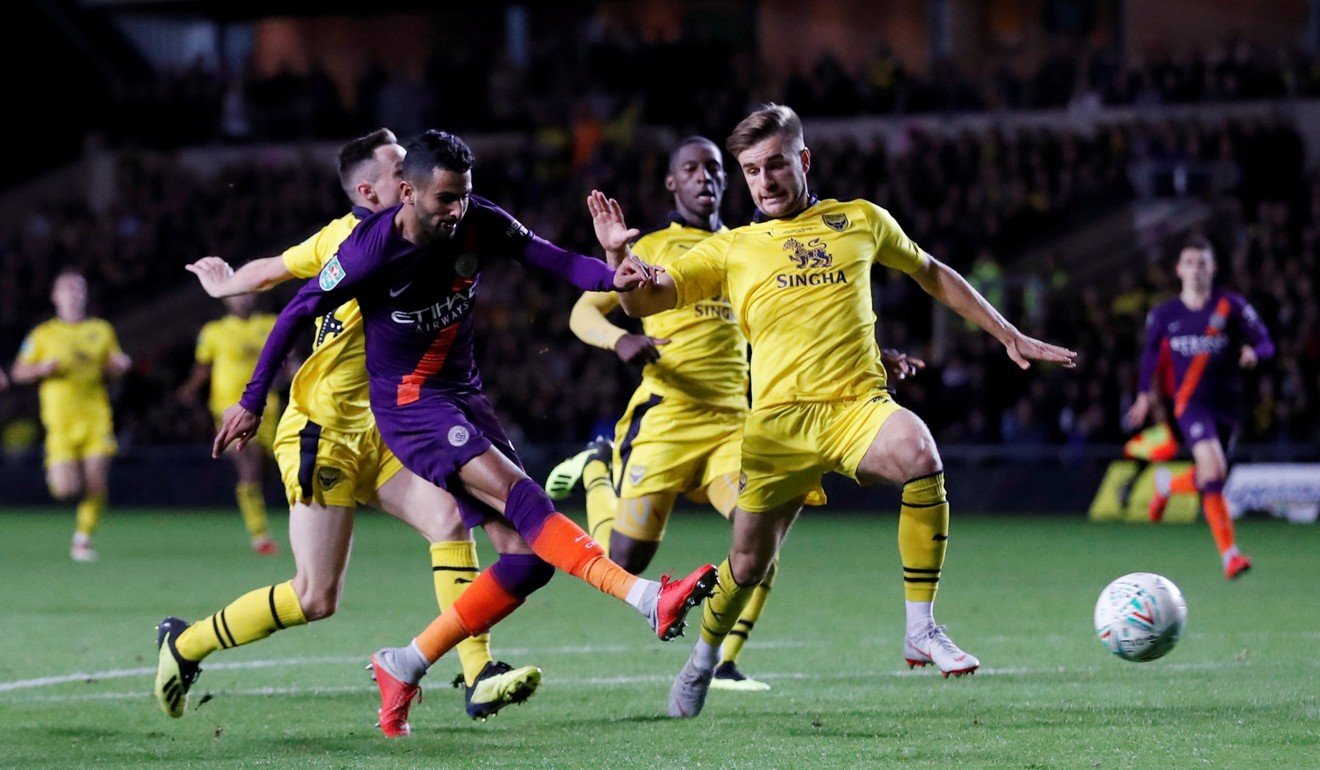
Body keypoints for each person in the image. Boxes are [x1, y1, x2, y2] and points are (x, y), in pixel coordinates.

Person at [212, 129, 717, 737]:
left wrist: (615, 271)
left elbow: (554, 260)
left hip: (463, 397)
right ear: (406, 193)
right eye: (445, 199)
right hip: (410, 407)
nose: (457, 210)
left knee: (528, 561)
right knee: (525, 498)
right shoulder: (370, 250)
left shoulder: (477, 220)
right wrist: (249, 399)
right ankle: (646, 600)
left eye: (464, 196)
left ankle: (403, 664)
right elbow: (295, 311)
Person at [600, 103, 1077, 717]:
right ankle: (702, 662)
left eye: (775, 164)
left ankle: (920, 626)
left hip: (856, 410)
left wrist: (1005, 331)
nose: (764, 180)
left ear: (802, 160)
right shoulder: (733, 249)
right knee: (746, 564)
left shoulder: (860, 221)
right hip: (777, 430)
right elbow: (646, 301)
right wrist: (620, 262)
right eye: (750, 170)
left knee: (919, 452)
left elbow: (930, 272)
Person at [156, 129, 542, 726]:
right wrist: (225, 283)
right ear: (370, 189)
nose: (411, 172)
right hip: (325, 429)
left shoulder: (435, 230)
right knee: (316, 597)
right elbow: (273, 275)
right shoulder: (347, 239)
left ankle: (478, 673)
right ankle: (186, 644)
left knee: (448, 520)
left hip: (392, 431)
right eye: (398, 168)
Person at [547, 136, 927, 692]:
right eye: (691, 169)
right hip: (667, 418)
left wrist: (873, 356)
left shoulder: (754, 244)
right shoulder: (652, 245)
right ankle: (596, 472)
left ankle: (723, 659)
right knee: (623, 561)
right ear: (672, 183)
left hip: (734, 423)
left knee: (760, 543)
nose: (706, 177)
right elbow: (585, 310)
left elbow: (805, 319)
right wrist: (618, 341)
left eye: (715, 168)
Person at [1125, 237, 1273, 580]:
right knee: (1215, 471)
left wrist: (1254, 353)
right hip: (1190, 405)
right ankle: (1230, 556)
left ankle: (1166, 486)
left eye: (1202, 263)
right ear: (1178, 270)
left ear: (1212, 268)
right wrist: (1144, 394)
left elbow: (1266, 341)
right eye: (1189, 263)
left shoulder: (1230, 306)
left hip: (1229, 407)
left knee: (1211, 477)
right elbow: (1149, 357)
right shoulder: (1164, 314)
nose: (1195, 269)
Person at [10, 271, 131, 562]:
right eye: (67, 289)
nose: (74, 294)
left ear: (85, 296)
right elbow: (18, 371)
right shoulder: (43, 334)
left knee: (97, 480)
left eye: (79, 289)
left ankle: (83, 538)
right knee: (66, 490)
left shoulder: (101, 330)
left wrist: (120, 366)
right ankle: (61, 481)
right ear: (55, 296)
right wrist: (41, 370)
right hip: (60, 422)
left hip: (95, 416)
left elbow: (112, 365)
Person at [177, 293, 281, 555]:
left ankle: (267, 518)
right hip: (228, 407)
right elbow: (203, 367)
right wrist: (189, 389)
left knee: (267, 466)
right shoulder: (214, 331)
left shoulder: (270, 323)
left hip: (267, 407)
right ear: (227, 298)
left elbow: (286, 358)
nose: (242, 299)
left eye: (246, 292)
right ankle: (260, 534)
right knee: (249, 461)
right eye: (237, 294)